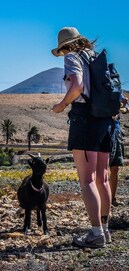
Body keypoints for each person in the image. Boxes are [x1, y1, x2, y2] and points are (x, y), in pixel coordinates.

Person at [52, 27, 114, 248]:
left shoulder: (72, 57)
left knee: (87, 180)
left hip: (84, 118)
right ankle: (105, 230)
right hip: (105, 119)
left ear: (65, 46)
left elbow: (77, 85)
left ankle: (96, 233)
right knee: (103, 178)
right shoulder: (95, 56)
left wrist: (62, 105)